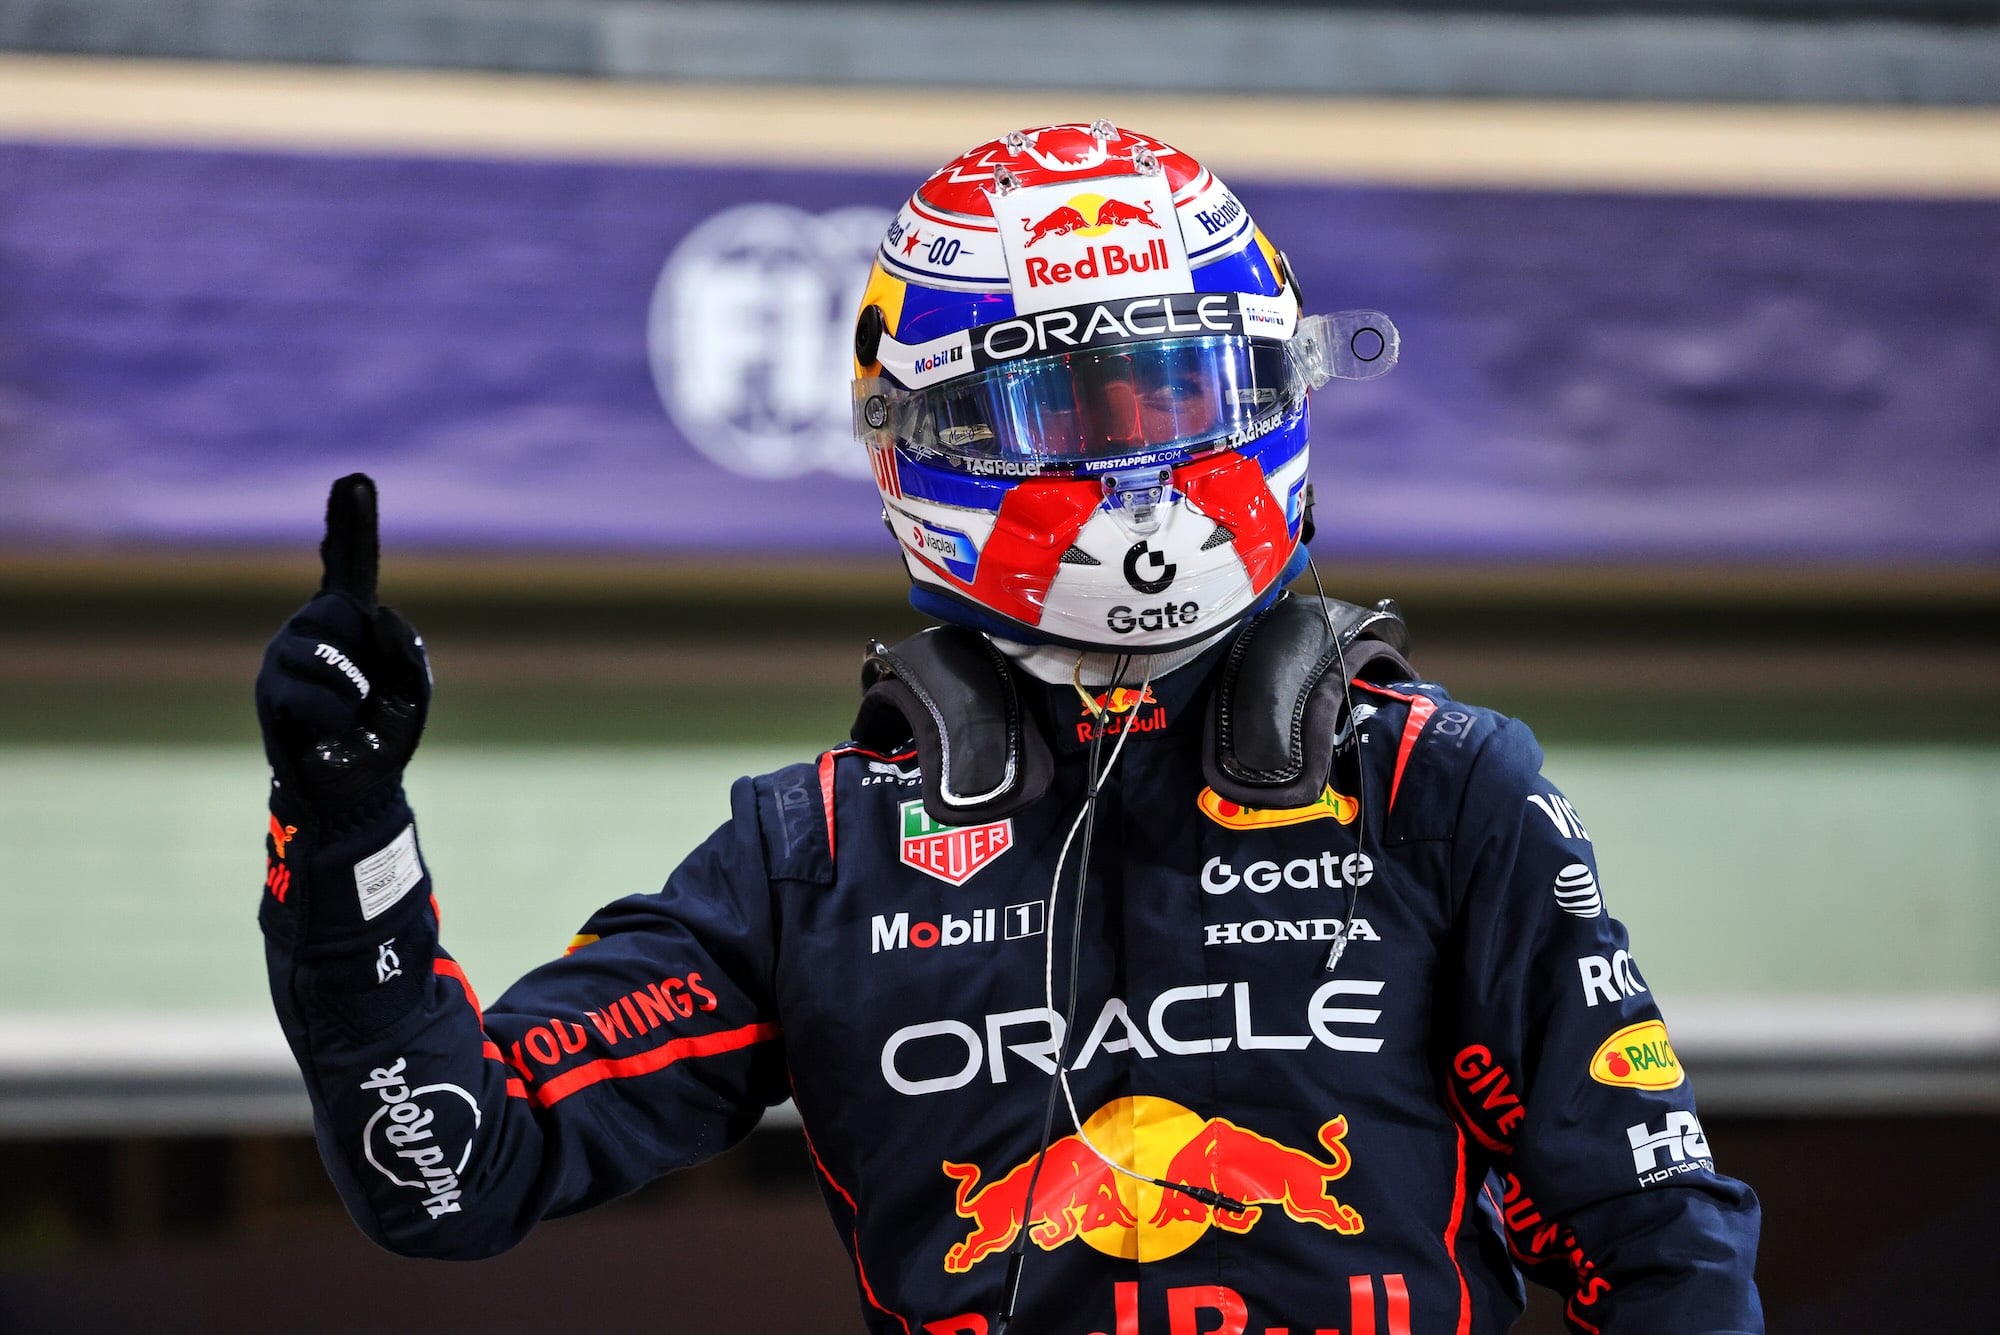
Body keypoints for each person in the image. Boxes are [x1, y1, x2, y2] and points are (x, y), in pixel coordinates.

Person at [256, 122, 1762, 1335]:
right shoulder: (817, 860)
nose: (1151, 463)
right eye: (1081, 415)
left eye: (1192, 385)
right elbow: (452, 1175)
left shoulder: (1436, 788)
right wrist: (344, 835)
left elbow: (1652, 1238)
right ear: (934, 434)